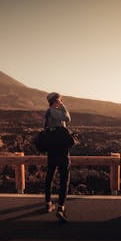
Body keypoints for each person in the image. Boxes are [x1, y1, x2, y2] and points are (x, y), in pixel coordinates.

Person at [44, 92, 71, 222]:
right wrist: (62, 105)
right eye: (61, 99)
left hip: (51, 149)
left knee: (50, 175)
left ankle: (48, 203)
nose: (62, 101)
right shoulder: (54, 111)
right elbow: (67, 118)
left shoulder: (49, 112)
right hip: (61, 150)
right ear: (56, 101)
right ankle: (61, 208)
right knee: (64, 178)